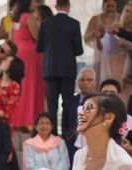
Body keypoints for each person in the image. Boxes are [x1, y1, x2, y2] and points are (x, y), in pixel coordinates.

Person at [37, 0, 83, 135]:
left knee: (51, 105)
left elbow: (39, 47)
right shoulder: (74, 24)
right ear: (68, 7)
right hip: (68, 69)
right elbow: (79, 50)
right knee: (68, 103)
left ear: (56, 7)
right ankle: (67, 133)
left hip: (50, 69)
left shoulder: (46, 23)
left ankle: (52, 135)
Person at [9, 0, 43, 129]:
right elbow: (37, 37)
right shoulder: (29, 17)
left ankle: (19, 118)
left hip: (17, 53)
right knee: (31, 85)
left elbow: (11, 37)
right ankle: (30, 118)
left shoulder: (15, 18)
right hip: (30, 55)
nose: (35, 3)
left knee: (20, 86)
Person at [99, 1, 132, 104]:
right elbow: (107, 49)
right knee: (114, 89)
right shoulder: (115, 27)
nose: (129, 14)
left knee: (126, 93)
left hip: (129, 62)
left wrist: (128, 47)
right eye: (127, 11)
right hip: (114, 62)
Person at [62, 68, 96, 164]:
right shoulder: (69, 102)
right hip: (74, 148)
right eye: (82, 80)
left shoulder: (101, 101)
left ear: (95, 82)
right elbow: (65, 126)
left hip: (95, 147)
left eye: (89, 80)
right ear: (78, 82)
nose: (85, 82)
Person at [84, 0, 120, 85]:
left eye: (112, 6)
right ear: (103, 6)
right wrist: (95, 33)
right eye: (108, 6)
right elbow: (86, 37)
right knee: (99, 79)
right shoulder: (95, 19)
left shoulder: (120, 18)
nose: (110, 9)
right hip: (100, 53)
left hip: (116, 55)